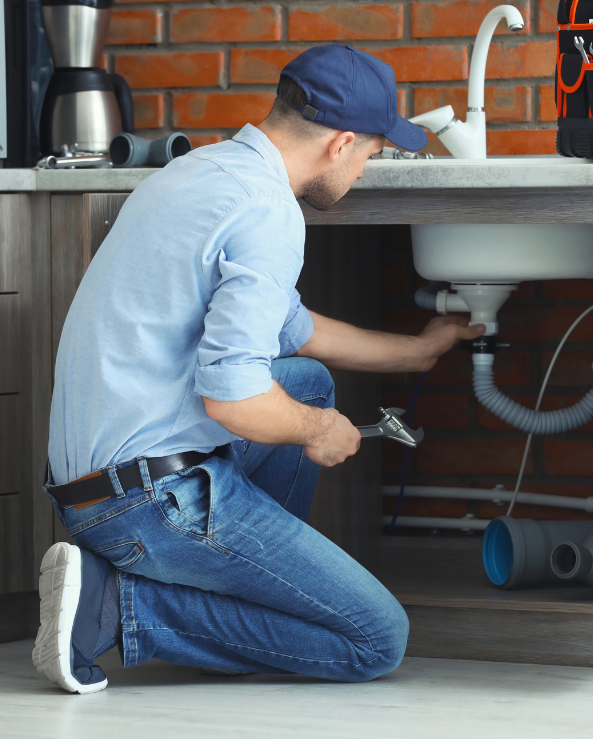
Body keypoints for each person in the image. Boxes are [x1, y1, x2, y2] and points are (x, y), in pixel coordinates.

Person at [33, 44, 486, 694]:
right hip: (148, 502)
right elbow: (234, 400)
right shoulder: (270, 214)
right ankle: (113, 607)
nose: (364, 170)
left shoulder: (205, 172)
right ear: (341, 144)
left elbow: (293, 330)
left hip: (89, 484)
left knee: (306, 381)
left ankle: (240, 590)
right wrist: (317, 431)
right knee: (376, 639)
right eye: (371, 155)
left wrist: (414, 351)